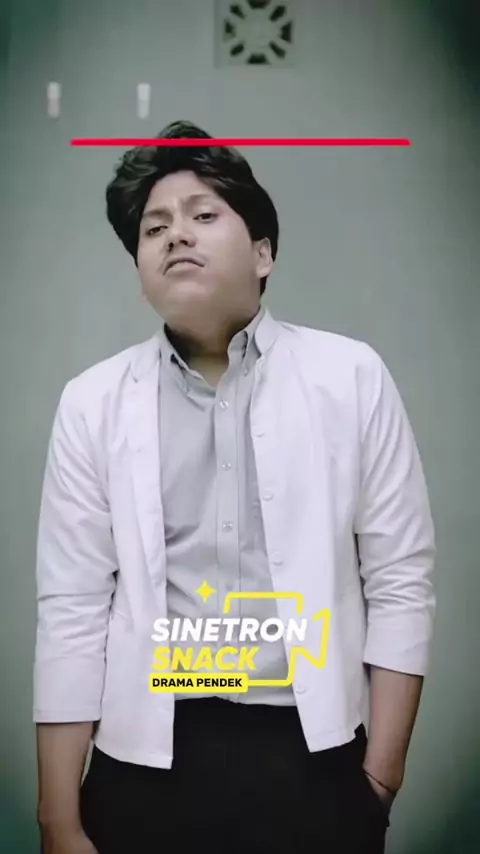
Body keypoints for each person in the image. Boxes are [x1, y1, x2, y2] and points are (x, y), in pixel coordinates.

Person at [34, 120, 436, 854]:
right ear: (141, 271)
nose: (176, 235)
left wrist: (379, 780)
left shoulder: (351, 377)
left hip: (311, 753)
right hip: (145, 757)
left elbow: (401, 580)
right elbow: (72, 608)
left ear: (263, 252)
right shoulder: (91, 402)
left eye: (203, 214)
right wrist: (57, 819)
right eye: (155, 228)